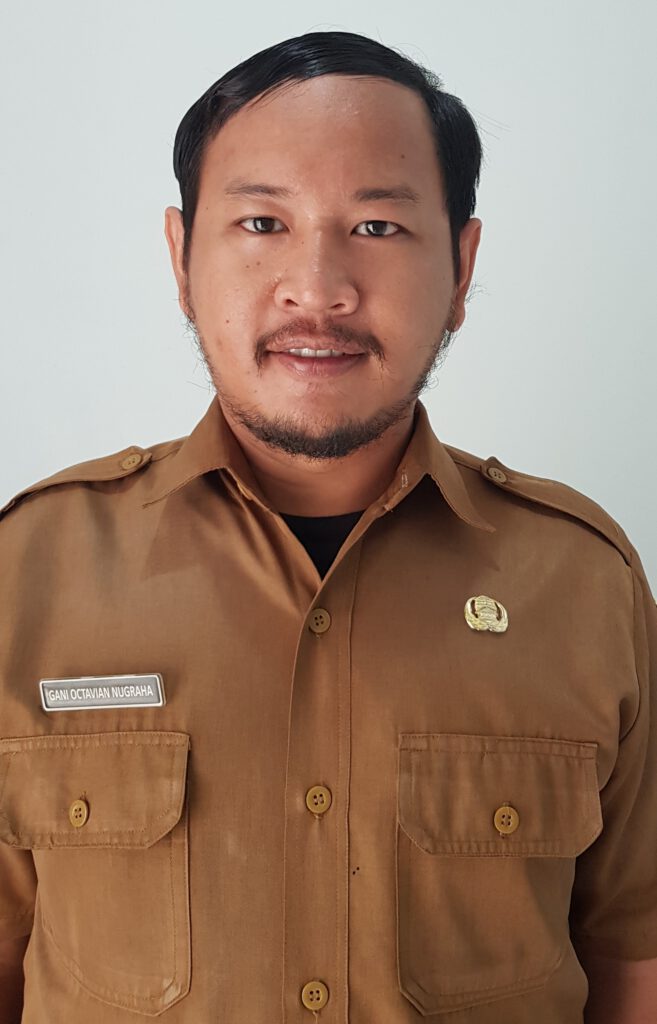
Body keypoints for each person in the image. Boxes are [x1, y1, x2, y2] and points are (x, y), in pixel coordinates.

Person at [0, 29, 655, 1024]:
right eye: (262, 221)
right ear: (181, 257)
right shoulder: (29, 570)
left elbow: (633, 957)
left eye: (378, 227)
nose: (318, 288)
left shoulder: (583, 581)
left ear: (462, 268)